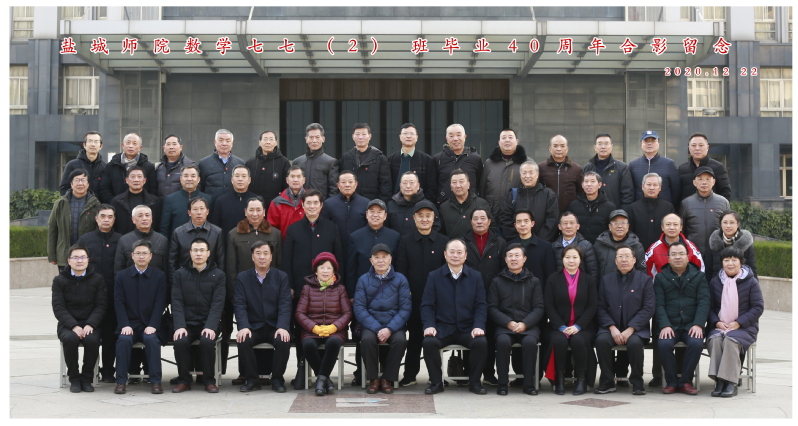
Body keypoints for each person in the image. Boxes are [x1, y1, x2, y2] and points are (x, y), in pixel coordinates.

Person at [282, 189, 344, 389]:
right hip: (301, 289)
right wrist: (290, 286)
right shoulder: (293, 229)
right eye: (308, 203)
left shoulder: (331, 228)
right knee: (302, 331)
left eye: (315, 203)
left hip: (328, 289)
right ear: (302, 205)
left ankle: (322, 375)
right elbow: (286, 260)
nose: (312, 206)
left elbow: (339, 258)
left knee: (327, 332)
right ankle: (303, 368)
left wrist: (338, 284)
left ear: (321, 205)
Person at [226, 196, 283, 385]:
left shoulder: (274, 234)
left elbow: (278, 263)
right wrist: (233, 294)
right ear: (245, 212)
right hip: (244, 291)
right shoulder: (234, 234)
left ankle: (268, 374)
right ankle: (246, 374)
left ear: (264, 212)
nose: (255, 213)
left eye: (259, 209)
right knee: (245, 332)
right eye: (251, 210)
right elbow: (231, 266)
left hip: (269, 290)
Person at [421, 239, 489, 395]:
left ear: (465, 256)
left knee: (481, 342)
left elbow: (481, 305)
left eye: (459, 252)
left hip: (467, 328)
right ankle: (436, 383)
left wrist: (478, 326)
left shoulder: (475, 276)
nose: (455, 255)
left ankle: (475, 382)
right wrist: (429, 325)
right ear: (445, 254)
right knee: (429, 342)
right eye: (452, 252)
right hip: (443, 328)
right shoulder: (434, 276)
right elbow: (427, 305)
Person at [345, 199, 401, 386]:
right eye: (372, 212)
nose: (375, 215)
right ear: (366, 215)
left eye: (379, 212)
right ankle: (362, 373)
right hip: (362, 296)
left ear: (385, 216)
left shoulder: (394, 236)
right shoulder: (355, 236)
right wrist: (351, 295)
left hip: (390, 296)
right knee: (362, 335)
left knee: (388, 335)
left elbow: (399, 267)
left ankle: (385, 375)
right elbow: (350, 268)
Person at [393, 200, 449, 387]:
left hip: (438, 301)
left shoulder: (443, 241)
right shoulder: (405, 240)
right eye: (421, 216)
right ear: (414, 218)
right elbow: (401, 272)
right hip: (413, 299)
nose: (424, 219)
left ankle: (436, 377)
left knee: (435, 339)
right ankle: (410, 375)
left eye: (428, 216)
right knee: (415, 338)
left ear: (434, 218)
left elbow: (446, 273)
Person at [594, 246, 655, 395]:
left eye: (627, 256)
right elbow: (600, 307)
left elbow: (648, 308)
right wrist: (612, 327)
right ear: (615, 261)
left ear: (634, 260)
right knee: (601, 341)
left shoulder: (645, 280)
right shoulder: (606, 280)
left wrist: (631, 328)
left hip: (636, 329)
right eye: (620, 256)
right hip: (610, 327)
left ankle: (637, 382)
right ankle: (607, 381)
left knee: (634, 343)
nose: (624, 259)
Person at [234, 241, 293, 393]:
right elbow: (240, 305)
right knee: (243, 339)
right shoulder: (243, 278)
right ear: (252, 257)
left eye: (266, 253)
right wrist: (243, 326)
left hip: (274, 326)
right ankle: (252, 380)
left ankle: (277, 380)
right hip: (253, 327)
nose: (262, 257)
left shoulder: (281, 277)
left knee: (283, 340)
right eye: (258, 253)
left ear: (271, 257)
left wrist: (282, 327)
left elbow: (285, 305)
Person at [706, 247, 764, 398]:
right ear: (722, 263)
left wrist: (739, 323)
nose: (730, 263)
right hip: (720, 326)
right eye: (726, 260)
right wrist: (716, 322)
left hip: (745, 328)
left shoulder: (751, 282)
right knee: (715, 340)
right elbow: (708, 307)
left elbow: (758, 307)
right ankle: (719, 381)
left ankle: (731, 382)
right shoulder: (715, 282)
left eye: (734, 260)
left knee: (731, 340)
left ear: (741, 262)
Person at [354, 244, 411, 394]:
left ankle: (387, 378)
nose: (381, 260)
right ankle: (373, 379)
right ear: (371, 260)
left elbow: (405, 309)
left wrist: (390, 329)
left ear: (390, 259)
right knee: (367, 340)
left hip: (393, 325)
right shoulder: (363, 280)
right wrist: (378, 328)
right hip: (371, 324)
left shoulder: (401, 279)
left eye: (384, 257)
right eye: (377, 257)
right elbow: (359, 309)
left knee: (400, 341)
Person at [488, 243, 544, 396]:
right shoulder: (497, 282)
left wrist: (525, 324)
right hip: (505, 325)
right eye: (510, 256)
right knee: (502, 342)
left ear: (524, 259)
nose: (514, 259)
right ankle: (502, 383)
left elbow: (539, 307)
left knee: (530, 343)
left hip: (528, 326)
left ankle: (529, 384)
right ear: (505, 259)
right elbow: (492, 308)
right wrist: (508, 323)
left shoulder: (534, 281)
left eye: (517, 255)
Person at [170, 237, 226, 393]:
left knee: (207, 341)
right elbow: (176, 302)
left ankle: (209, 380)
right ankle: (184, 380)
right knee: (180, 341)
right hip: (187, 323)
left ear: (208, 253)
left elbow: (218, 304)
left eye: (202, 250)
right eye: (195, 250)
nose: (199, 254)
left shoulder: (218, 275)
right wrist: (180, 326)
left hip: (208, 323)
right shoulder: (180, 274)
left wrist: (210, 326)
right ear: (190, 253)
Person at [653, 242, 709, 395]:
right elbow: (658, 304)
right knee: (664, 345)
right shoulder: (660, 278)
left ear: (688, 256)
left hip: (691, 325)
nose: (677, 257)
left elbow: (704, 302)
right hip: (670, 325)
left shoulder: (699, 276)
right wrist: (664, 325)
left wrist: (698, 324)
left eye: (681, 254)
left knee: (696, 343)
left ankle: (685, 381)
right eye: (674, 254)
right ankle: (671, 382)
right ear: (668, 258)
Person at [113, 240, 167, 395]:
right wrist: (124, 324)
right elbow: (119, 302)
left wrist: (153, 325)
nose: (141, 256)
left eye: (144, 253)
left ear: (150, 256)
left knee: (152, 340)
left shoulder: (159, 276)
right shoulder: (122, 276)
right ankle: (121, 381)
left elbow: (160, 303)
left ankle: (156, 381)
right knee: (123, 340)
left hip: (149, 324)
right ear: (132, 256)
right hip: (129, 324)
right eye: (138, 253)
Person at [543, 245, 598, 396]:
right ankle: (559, 380)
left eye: (575, 257)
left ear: (580, 260)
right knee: (559, 340)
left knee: (579, 340)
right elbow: (549, 305)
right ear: (562, 259)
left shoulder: (588, 280)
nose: (571, 260)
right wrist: (561, 327)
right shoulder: (553, 279)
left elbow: (593, 305)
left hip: (583, 327)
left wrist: (578, 326)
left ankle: (581, 380)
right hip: (558, 326)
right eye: (567, 257)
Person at [295, 253, 352, 395]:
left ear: (334, 271)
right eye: (321, 267)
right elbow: (300, 313)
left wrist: (334, 327)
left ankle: (320, 381)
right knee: (308, 345)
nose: (325, 271)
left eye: (328, 268)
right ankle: (325, 380)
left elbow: (347, 313)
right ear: (316, 271)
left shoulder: (340, 289)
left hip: (335, 331)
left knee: (333, 343)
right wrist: (313, 327)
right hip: (312, 331)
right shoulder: (307, 288)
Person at [52, 244, 106, 392]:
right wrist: (74, 326)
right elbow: (58, 307)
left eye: (82, 257)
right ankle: (74, 378)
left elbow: (101, 305)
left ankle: (87, 378)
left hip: (91, 324)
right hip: (68, 324)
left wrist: (90, 324)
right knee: (70, 339)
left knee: (92, 340)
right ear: (69, 261)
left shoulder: (97, 279)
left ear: (88, 260)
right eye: (75, 257)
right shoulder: (59, 280)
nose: (79, 260)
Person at [76, 205, 121, 383]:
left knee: (110, 337)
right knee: (92, 337)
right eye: (103, 216)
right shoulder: (85, 240)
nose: (106, 220)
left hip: (113, 297)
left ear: (114, 219)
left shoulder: (121, 240)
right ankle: (88, 372)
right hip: (90, 300)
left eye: (110, 216)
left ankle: (108, 371)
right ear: (96, 218)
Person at [463, 208, 506, 386]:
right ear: (471, 222)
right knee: (469, 333)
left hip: (493, 296)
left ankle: (489, 373)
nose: (479, 221)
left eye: (483, 218)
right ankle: (467, 372)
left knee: (489, 336)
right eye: (475, 218)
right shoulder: (463, 242)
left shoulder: (500, 242)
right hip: (467, 296)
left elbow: (503, 270)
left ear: (489, 221)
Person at [48, 169, 100, 269]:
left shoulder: (95, 204)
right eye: (76, 180)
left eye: (83, 180)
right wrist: (52, 255)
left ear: (88, 184)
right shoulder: (60, 204)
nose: (80, 183)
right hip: (65, 255)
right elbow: (53, 229)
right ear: (71, 184)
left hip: (87, 256)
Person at [168, 197, 225, 288]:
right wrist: (174, 283)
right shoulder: (178, 233)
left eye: (202, 209)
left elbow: (220, 261)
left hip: (210, 281)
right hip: (184, 280)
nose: (199, 212)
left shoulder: (216, 232)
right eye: (195, 209)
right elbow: (172, 261)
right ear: (189, 213)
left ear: (207, 211)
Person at [498, 161, 558, 241]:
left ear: (537, 175)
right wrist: (519, 240)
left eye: (531, 173)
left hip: (542, 243)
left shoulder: (549, 195)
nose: (527, 176)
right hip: (517, 244)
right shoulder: (512, 195)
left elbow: (552, 221)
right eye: (524, 173)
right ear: (520, 175)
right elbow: (505, 220)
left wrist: (538, 241)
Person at [479, 129, 533, 219]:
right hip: (491, 214)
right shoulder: (489, 163)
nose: (507, 140)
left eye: (510, 137)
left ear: (517, 141)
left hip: (516, 216)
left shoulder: (527, 164)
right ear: (499, 142)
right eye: (504, 138)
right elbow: (482, 189)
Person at [321, 171, 369, 264]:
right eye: (343, 182)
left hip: (360, 250)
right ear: (338, 185)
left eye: (350, 182)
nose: (347, 185)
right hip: (336, 251)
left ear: (356, 184)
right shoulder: (329, 204)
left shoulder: (366, 203)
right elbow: (324, 229)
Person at [680, 167, 730, 255]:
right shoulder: (686, 203)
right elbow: (681, 230)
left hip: (717, 252)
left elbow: (729, 227)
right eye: (700, 179)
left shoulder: (723, 202)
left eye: (708, 179)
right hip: (693, 252)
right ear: (694, 182)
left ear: (713, 182)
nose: (704, 182)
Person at [339, 123, 392, 202]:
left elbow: (385, 184)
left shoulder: (379, 157)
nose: (360, 137)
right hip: (351, 202)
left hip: (373, 203)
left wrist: (381, 204)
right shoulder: (346, 158)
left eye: (364, 134)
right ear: (353, 137)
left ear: (370, 136)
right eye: (357, 134)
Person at [677, 132, 732, 209]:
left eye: (701, 145)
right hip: (689, 212)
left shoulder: (718, 167)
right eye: (693, 145)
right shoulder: (682, 169)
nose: (697, 148)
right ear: (689, 148)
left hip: (712, 211)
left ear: (707, 147)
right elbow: (678, 194)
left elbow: (725, 192)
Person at [99, 133, 158, 203]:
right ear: (123, 145)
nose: (131, 146)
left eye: (134, 143)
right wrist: (114, 204)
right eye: (128, 143)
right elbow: (104, 188)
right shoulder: (111, 166)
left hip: (142, 207)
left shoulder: (149, 167)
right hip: (116, 206)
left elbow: (153, 190)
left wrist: (144, 206)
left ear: (140, 147)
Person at [433, 124, 484, 205]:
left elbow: (480, 184)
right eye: (451, 136)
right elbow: (433, 185)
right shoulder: (438, 158)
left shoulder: (475, 158)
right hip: (445, 207)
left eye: (459, 135)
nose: (455, 139)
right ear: (446, 139)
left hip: (471, 206)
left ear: (465, 137)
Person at [581, 134, 634, 211]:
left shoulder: (622, 167)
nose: (603, 147)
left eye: (606, 144)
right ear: (595, 147)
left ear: (611, 146)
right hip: (591, 213)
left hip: (614, 213)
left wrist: (621, 214)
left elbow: (627, 194)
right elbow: (581, 192)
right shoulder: (587, 168)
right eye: (600, 144)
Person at [387, 123, 437, 203]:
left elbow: (431, 186)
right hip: (395, 203)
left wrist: (426, 204)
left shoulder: (427, 160)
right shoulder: (391, 159)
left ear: (416, 137)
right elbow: (386, 185)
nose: (408, 136)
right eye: (405, 133)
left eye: (412, 134)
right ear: (400, 137)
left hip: (419, 203)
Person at [644, 213, 705, 279]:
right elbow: (648, 275)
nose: (672, 228)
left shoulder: (691, 247)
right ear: (662, 227)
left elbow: (700, 271)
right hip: (661, 285)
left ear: (681, 227)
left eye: (675, 224)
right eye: (668, 224)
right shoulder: (654, 249)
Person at [114, 205, 169, 276]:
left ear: (151, 218)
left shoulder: (162, 240)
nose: (144, 218)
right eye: (140, 216)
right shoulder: (124, 240)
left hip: (156, 281)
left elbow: (166, 268)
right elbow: (118, 268)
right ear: (133, 220)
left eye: (147, 215)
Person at [627, 173, 675, 251]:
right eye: (648, 184)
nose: (651, 188)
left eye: (655, 185)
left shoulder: (668, 207)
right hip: (639, 251)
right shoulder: (633, 208)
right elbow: (629, 233)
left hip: (663, 251)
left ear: (660, 188)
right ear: (643, 187)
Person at [629, 130, 680, 204]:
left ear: (659, 144)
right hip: (639, 208)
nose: (649, 143)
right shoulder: (633, 165)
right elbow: (630, 190)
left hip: (663, 207)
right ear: (641, 145)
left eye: (653, 141)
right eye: (646, 141)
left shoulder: (669, 164)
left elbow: (676, 190)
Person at [209, 165, 258, 241]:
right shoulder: (221, 201)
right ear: (232, 179)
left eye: (244, 176)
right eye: (237, 176)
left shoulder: (257, 201)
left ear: (249, 180)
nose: (240, 179)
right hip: (227, 243)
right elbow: (215, 228)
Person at [439, 169, 491, 240]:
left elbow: (491, 228)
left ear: (469, 185)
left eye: (461, 181)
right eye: (454, 182)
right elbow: (441, 233)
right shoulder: (444, 207)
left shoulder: (481, 204)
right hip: (453, 246)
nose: (458, 186)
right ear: (451, 186)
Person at [593, 210, 646, 279]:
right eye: (616, 223)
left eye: (623, 223)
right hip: (605, 284)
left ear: (628, 226)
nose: (620, 226)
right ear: (609, 226)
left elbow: (642, 270)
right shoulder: (599, 244)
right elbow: (594, 269)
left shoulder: (636, 245)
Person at [538, 135, 583, 215]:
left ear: (567, 149)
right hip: (547, 214)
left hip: (569, 215)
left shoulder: (576, 169)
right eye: (555, 146)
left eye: (562, 146)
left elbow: (581, 193)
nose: (559, 149)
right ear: (550, 149)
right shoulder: (541, 168)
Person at [567, 171, 617, 244]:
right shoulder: (573, 206)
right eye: (586, 181)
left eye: (592, 181)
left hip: (602, 246)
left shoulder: (610, 207)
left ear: (599, 185)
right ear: (582, 185)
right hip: (578, 246)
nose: (589, 184)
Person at [507, 210, 556, 284]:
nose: (522, 224)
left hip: (538, 289)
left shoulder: (545, 246)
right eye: (519, 222)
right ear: (515, 225)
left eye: (526, 221)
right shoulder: (509, 246)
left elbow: (550, 275)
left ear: (532, 223)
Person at [160, 165, 209, 238]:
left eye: (193, 176)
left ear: (198, 179)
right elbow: (165, 228)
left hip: (202, 242)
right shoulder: (170, 199)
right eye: (186, 176)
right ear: (181, 179)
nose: (189, 179)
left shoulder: (207, 199)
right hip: (177, 242)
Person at [292, 123, 339, 199]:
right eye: (311, 137)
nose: (314, 141)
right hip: (300, 204)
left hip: (321, 204)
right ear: (306, 139)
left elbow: (334, 189)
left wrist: (328, 205)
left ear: (323, 139)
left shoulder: (331, 162)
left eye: (317, 137)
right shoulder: (297, 162)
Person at [705, 210, 757, 279]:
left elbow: (752, 267)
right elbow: (708, 269)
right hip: (717, 283)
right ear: (721, 224)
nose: (728, 226)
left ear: (737, 224)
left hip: (741, 283)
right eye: (725, 222)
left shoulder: (745, 242)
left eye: (732, 222)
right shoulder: (713, 241)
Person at [198, 129, 245, 204]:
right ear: (215, 142)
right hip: (211, 206)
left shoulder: (239, 163)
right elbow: (201, 187)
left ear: (232, 143)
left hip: (233, 204)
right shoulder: (203, 163)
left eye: (228, 141)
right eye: (221, 140)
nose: (224, 144)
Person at [110, 166, 161, 236]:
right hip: (124, 240)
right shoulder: (116, 201)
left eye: (139, 177)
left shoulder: (154, 201)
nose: (136, 180)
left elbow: (158, 225)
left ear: (144, 180)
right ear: (126, 180)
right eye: (133, 177)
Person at [551, 212, 599, 285]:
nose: (568, 226)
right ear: (559, 226)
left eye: (572, 223)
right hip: (559, 286)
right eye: (565, 223)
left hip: (581, 287)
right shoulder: (554, 246)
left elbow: (593, 272)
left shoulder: (586, 246)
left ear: (578, 226)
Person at [387, 171, 441, 236]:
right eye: (405, 183)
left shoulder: (428, 205)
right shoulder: (391, 205)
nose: (408, 186)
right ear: (400, 185)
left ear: (418, 186)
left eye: (411, 183)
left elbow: (436, 228)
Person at [246, 130, 291, 204]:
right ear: (259, 142)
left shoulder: (284, 162)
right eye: (265, 139)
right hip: (254, 206)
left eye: (271, 139)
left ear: (276, 142)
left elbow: (287, 187)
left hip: (276, 205)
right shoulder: (250, 162)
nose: (268, 142)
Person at [60, 131, 105, 197]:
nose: (93, 144)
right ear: (84, 145)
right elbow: (64, 189)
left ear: (101, 146)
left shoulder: (105, 167)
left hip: (99, 203)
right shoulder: (72, 165)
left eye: (96, 141)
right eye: (90, 141)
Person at [267, 165, 306, 240]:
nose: (295, 180)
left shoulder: (311, 202)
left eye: (299, 177)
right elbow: (272, 229)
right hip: (283, 244)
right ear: (287, 180)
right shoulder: (277, 202)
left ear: (304, 180)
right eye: (292, 176)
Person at [155, 134, 194, 199]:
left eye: (174, 144)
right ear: (164, 148)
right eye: (168, 144)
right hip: (162, 204)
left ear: (181, 147)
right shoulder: (159, 167)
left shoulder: (190, 166)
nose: (171, 147)